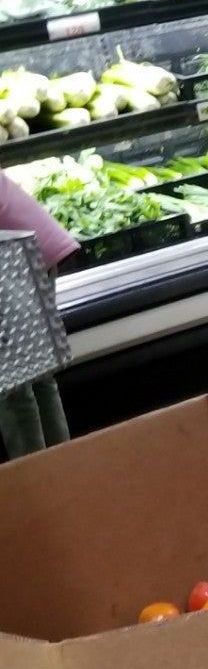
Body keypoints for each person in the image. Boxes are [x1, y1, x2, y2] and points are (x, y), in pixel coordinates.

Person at [0, 170, 73, 457]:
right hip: (27, 248)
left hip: (12, 258)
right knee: (37, 374)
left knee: (10, 385)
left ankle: (33, 473)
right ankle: (60, 464)